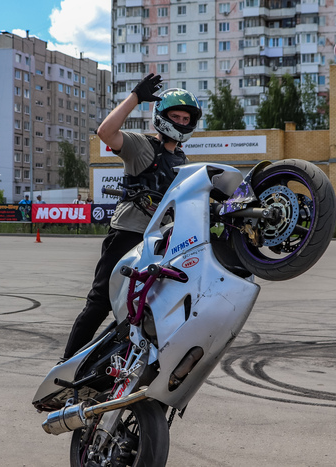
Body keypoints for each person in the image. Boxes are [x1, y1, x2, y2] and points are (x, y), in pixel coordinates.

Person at [60, 73, 203, 360]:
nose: (180, 122)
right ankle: (65, 366)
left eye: (186, 118)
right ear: (162, 117)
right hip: (129, 234)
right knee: (100, 301)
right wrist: (135, 97)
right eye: (175, 116)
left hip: (161, 245)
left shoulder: (184, 162)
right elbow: (105, 133)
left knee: (145, 309)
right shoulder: (142, 147)